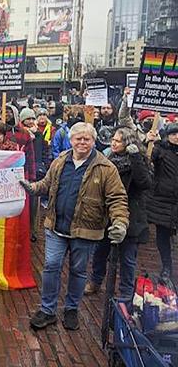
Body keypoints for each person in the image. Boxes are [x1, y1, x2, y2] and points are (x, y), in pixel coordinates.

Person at [21, 122, 129, 331]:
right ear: (70, 140)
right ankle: (48, 309)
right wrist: (32, 188)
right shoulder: (61, 160)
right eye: (77, 138)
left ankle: (71, 308)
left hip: (86, 230)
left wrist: (120, 222)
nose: (81, 142)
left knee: (78, 271)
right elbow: (47, 184)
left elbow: (117, 199)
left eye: (86, 138)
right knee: (51, 266)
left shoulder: (106, 168)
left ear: (93, 141)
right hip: (56, 227)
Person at [84, 127, 152, 300]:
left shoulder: (139, 160)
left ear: (128, 143)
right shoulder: (109, 159)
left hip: (131, 215)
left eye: (118, 140)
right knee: (100, 251)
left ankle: (126, 291)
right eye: (113, 139)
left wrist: (136, 157)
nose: (113, 143)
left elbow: (144, 182)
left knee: (127, 258)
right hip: (107, 214)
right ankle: (96, 281)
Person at [147, 122, 178, 280]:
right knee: (163, 237)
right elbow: (148, 158)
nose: (177, 137)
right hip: (163, 202)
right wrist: (150, 142)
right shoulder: (160, 150)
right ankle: (167, 267)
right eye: (173, 134)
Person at [20, 108, 51, 242]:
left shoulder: (38, 135)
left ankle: (32, 230)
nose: (31, 121)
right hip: (22, 171)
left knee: (34, 205)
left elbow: (44, 151)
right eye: (28, 119)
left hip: (35, 172)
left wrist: (44, 164)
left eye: (33, 118)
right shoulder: (20, 134)